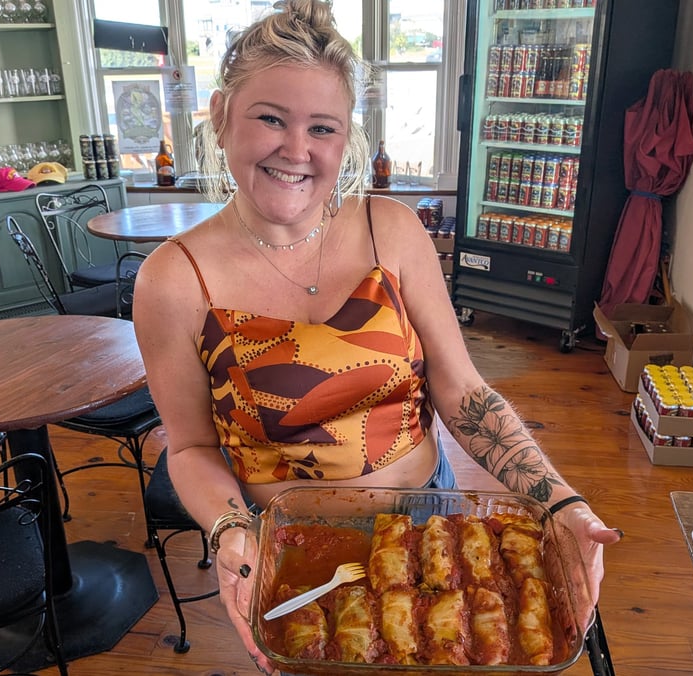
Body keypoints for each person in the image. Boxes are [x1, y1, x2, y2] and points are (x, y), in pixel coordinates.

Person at [132, 1, 621, 672]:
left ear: (345, 138)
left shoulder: (391, 229)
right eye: (269, 117)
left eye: (322, 127)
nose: (296, 150)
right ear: (220, 116)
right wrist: (230, 534)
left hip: (431, 525)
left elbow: (462, 389)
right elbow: (188, 446)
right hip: (299, 553)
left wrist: (557, 499)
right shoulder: (173, 280)